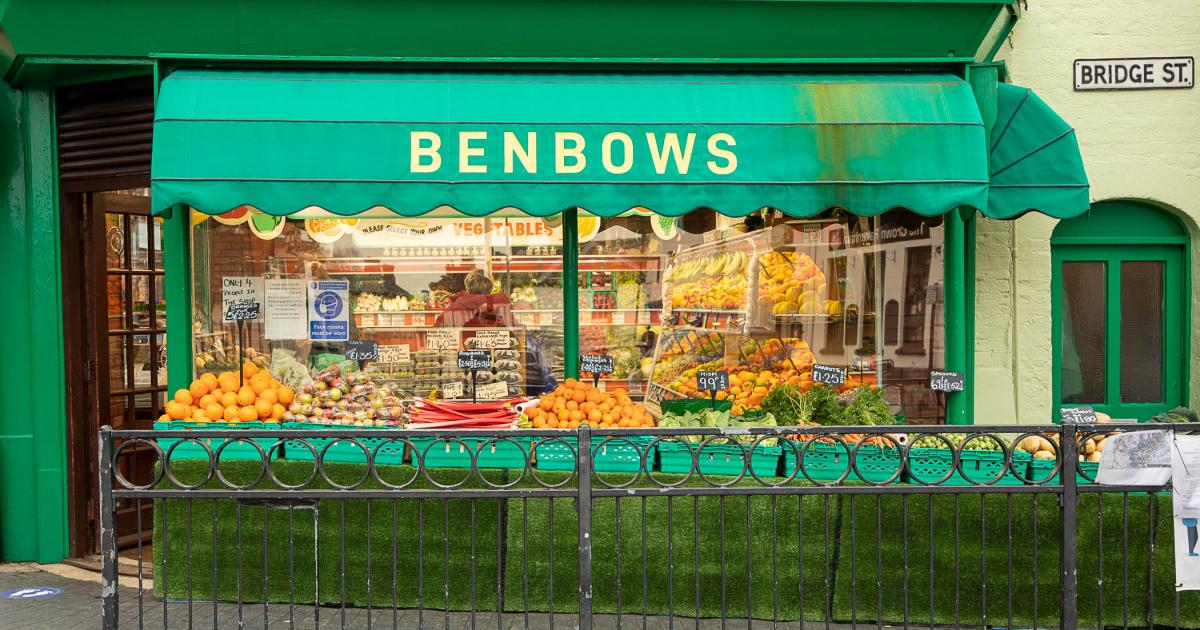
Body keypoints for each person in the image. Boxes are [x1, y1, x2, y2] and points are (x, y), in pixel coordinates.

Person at [435, 269, 516, 328]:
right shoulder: (501, 307)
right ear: (490, 289)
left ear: (467, 287)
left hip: (461, 351)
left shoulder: (452, 310)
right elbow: (516, 332)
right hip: (493, 351)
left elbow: (435, 336)